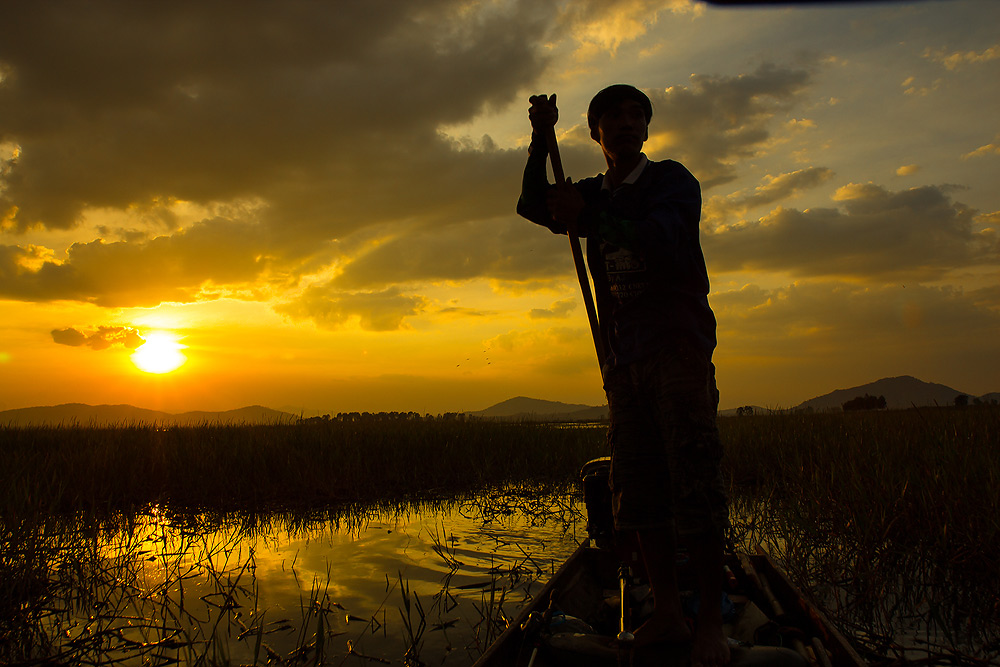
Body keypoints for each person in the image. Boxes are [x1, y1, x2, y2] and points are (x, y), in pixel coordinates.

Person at [516, 84, 730, 667]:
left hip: (677, 348)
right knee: (638, 490)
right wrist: (540, 139)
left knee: (695, 482)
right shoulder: (590, 192)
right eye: (615, 116)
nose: (628, 122)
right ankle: (666, 610)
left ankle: (709, 622)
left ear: (647, 128)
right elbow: (534, 204)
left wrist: (592, 216)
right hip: (623, 356)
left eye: (638, 114)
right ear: (596, 132)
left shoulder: (670, 182)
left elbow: (661, 237)